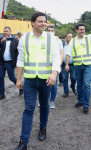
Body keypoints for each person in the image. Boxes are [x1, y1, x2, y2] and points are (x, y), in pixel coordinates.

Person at [14, 12, 61, 150]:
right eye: (40, 21)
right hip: (29, 80)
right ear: (32, 23)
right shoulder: (24, 38)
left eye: (44, 21)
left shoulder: (51, 38)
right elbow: (20, 59)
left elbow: (56, 57)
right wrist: (18, 79)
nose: (43, 24)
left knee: (44, 105)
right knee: (28, 109)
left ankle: (43, 127)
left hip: (46, 79)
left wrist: (54, 73)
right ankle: (23, 142)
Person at [0, 26, 21, 100]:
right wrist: (1, 41)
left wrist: (16, 61)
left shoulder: (15, 40)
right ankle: (2, 94)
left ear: (10, 31)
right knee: (0, 77)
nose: (5, 32)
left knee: (11, 77)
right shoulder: (2, 39)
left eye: (6, 31)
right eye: (4, 31)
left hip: (10, 62)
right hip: (2, 62)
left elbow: (17, 52)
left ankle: (20, 87)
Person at [46, 25, 63, 108]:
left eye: (52, 30)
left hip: (54, 66)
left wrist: (59, 64)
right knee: (44, 83)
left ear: (54, 32)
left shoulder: (58, 41)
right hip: (45, 66)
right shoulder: (43, 40)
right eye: (48, 30)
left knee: (54, 84)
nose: (50, 32)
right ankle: (44, 99)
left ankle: (52, 100)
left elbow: (61, 53)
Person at [62, 33, 77, 97]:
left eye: (71, 37)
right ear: (65, 38)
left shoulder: (74, 45)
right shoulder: (62, 45)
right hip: (64, 64)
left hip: (73, 64)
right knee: (64, 78)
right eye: (69, 37)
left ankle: (73, 87)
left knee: (73, 78)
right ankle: (66, 91)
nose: (71, 38)